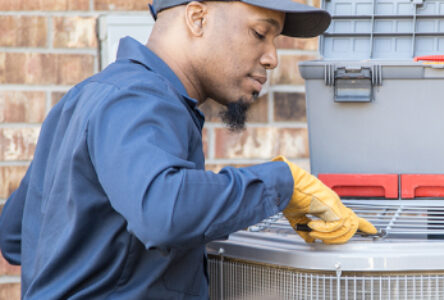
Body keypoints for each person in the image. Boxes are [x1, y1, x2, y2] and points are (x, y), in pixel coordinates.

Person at [0, 0, 377, 298]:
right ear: (198, 19)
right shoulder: (142, 99)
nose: (272, 57)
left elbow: (15, 235)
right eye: (260, 33)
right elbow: (164, 211)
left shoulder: (89, 96)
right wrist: (283, 183)